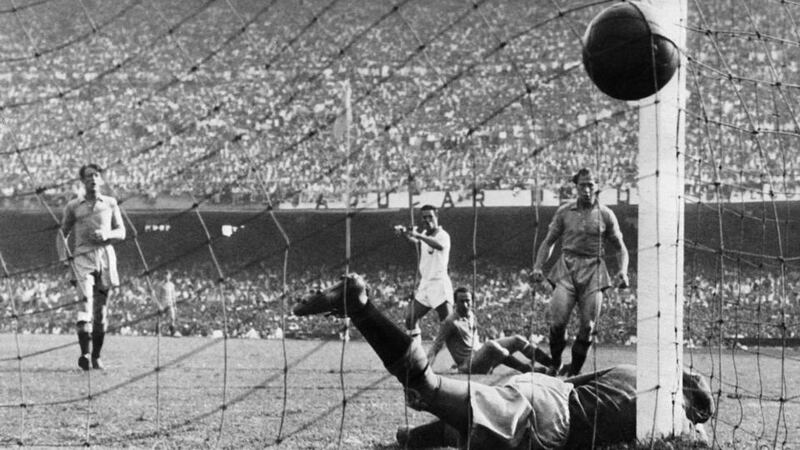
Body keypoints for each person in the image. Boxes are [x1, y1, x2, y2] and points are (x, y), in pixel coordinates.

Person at [292, 274, 713, 449]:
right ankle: (360, 306)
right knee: (429, 387)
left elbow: (578, 383)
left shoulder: (634, 373)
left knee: (469, 417)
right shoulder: (668, 415)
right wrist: (696, 426)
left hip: (546, 391)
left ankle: (414, 438)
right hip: (552, 417)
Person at [532, 168, 629, 377]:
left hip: (594, 270)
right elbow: (548, 242)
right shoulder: (564, 212)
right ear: (576, 187)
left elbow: (620, 247)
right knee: (557, 323)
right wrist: (538, 266)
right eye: (582, 185)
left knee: (588, 326)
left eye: (590, 185)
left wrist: (623, 271)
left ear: (596, 187)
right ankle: (555, 362)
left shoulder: (605, 214)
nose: (586, 189)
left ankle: (574, 372)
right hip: (567, 268)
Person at [57, 163, 126, 371]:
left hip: (105, 259)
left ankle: (96, 356)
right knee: (85, 307)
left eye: (96, 175)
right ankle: (84, 354)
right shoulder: (74, 206)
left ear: (101, 179)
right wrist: (64, 258)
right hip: (82, 259)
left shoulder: (111, 203)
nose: (92, 179)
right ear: (82, 181)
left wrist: (108, 235)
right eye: (88, 176)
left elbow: (121, 231)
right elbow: (62, 233)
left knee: (101, 312)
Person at [428, 287, 553, 374]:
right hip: (469, 364)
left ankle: (552, 364)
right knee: (490, 345)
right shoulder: (450, 322)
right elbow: (436, 346)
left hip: (481, 357)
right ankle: (528, 370)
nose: (466, 304)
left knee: (517, 339)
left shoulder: (471, 315)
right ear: (455, 303)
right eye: (462, 301)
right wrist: (426, 369)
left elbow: (474, 341)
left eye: (468, 301)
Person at [395, 204, 454, 342]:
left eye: (430, 216)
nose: (427, 220)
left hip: (439, 283)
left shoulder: (443, 235)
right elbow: (416, 242)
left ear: (436, 216)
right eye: (424, 217)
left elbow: (437, 245)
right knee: (410, 318)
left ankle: (466, 355)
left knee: (449, 325)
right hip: (426, 283)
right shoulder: (425, 236)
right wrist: (404, 233)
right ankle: (417, 352)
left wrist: (418, 235)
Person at [158, 270, 178, 336]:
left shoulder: (172, 285)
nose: (166, 276)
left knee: (172, 317)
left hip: (170, 304)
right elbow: (158, 296)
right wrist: (159, 305)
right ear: (163, 276)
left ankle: (173, 331)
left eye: (168, 275)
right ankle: (158, 332)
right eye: (165, 275)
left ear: (170, 276)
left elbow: (173, 295)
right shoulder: (161, 285)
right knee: (161, 319)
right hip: (162, 304)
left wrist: (175, 305)